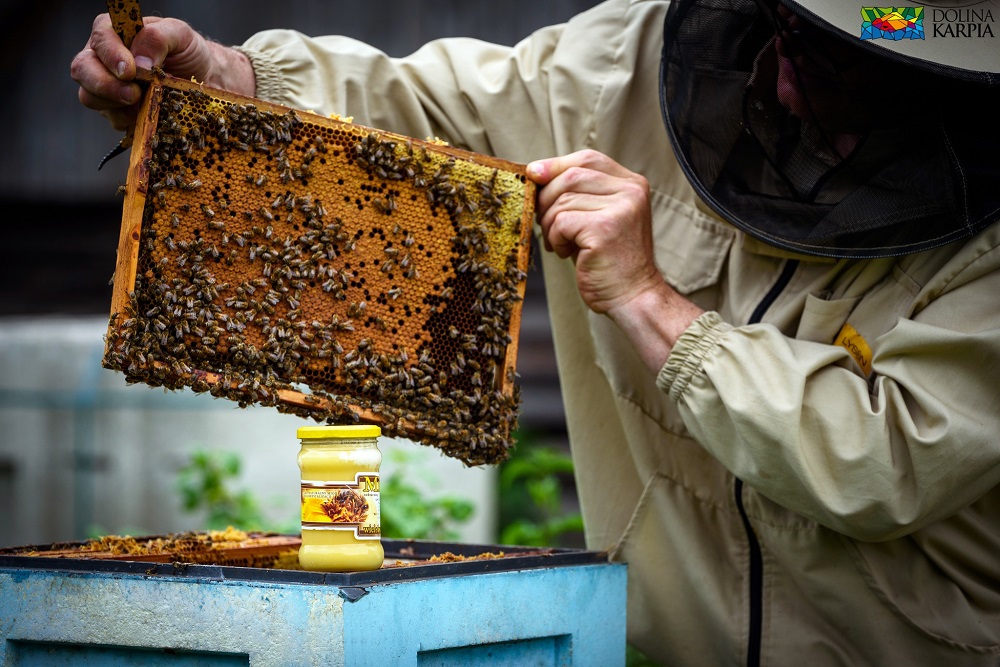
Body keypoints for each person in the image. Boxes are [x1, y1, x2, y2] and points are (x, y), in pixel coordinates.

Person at [73, 0, 1000, 663]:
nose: (794, 89)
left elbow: (885, 454)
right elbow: (427, 115)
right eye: (791, 38)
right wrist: (234, 85)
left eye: (848, 69)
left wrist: (650, 300)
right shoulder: (622, 66)